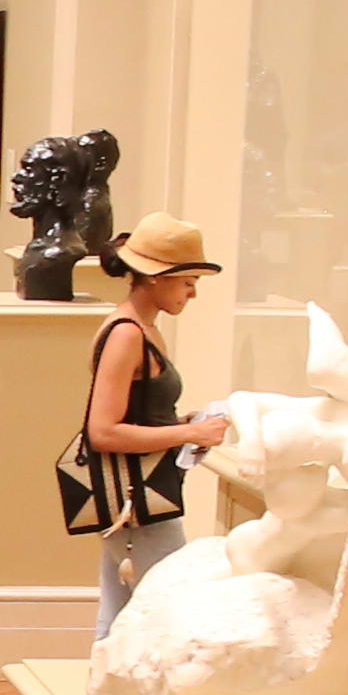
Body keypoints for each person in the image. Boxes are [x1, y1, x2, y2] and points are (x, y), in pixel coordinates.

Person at [76, 215, 232, 639]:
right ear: (155, 278)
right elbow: (103, 431)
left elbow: (134, 416)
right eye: (187, 281)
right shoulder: (127, 334)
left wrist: (180, 424)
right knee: (167, 606)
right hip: (137, 499)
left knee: (120, 606)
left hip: (147, 491)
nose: (193, 292)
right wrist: (188, 434)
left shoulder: (141, 330)